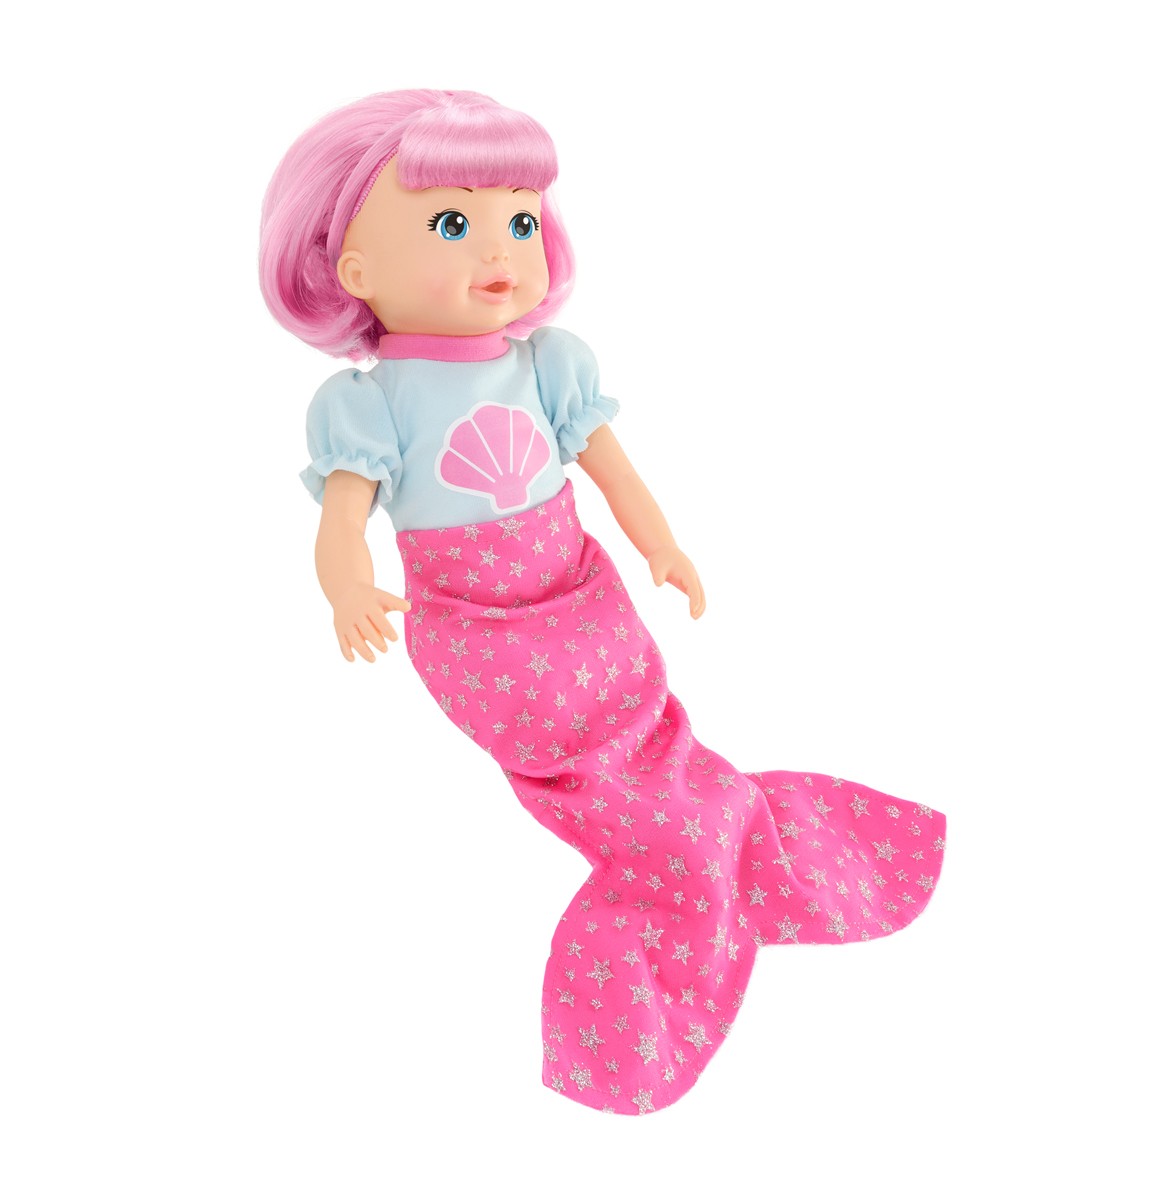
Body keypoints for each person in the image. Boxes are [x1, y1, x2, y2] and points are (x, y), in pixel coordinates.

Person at [260, 89, 946, 1115]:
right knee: (587, 768)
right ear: (355, 270)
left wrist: (661, 545)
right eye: (450, 224)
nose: (500, 249)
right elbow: (341, 522)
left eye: (519, 219)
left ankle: (707, 838)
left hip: (584, 596)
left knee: (651, 732)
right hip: (480, 634)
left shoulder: (550, 365)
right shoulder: (365, 403)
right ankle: (681, 870)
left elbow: (613, 471)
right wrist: (348, 589)